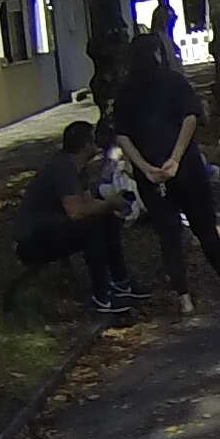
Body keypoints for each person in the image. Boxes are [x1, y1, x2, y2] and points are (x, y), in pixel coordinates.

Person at [112, 30, 220, 315]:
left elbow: (122, 135)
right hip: (185, 168)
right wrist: (175, 158)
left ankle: (184, 298)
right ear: (158, 53)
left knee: (168, 235)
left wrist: (144, 167)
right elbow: (190, 119)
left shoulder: (125, 92)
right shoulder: (174, 81)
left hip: (150, 175)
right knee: (204, 226)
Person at [15, 119, 137, 312]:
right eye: (94, 138)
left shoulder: (79, 168)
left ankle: (122, 283)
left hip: (53, 230)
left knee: (108, 218)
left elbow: (88, 203)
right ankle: (102, 296)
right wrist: (109, 203)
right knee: (91, 228)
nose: (98, 142)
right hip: (32, 241)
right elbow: (76, 211)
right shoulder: (63, 168)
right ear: (86, 145)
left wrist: (112, 205)